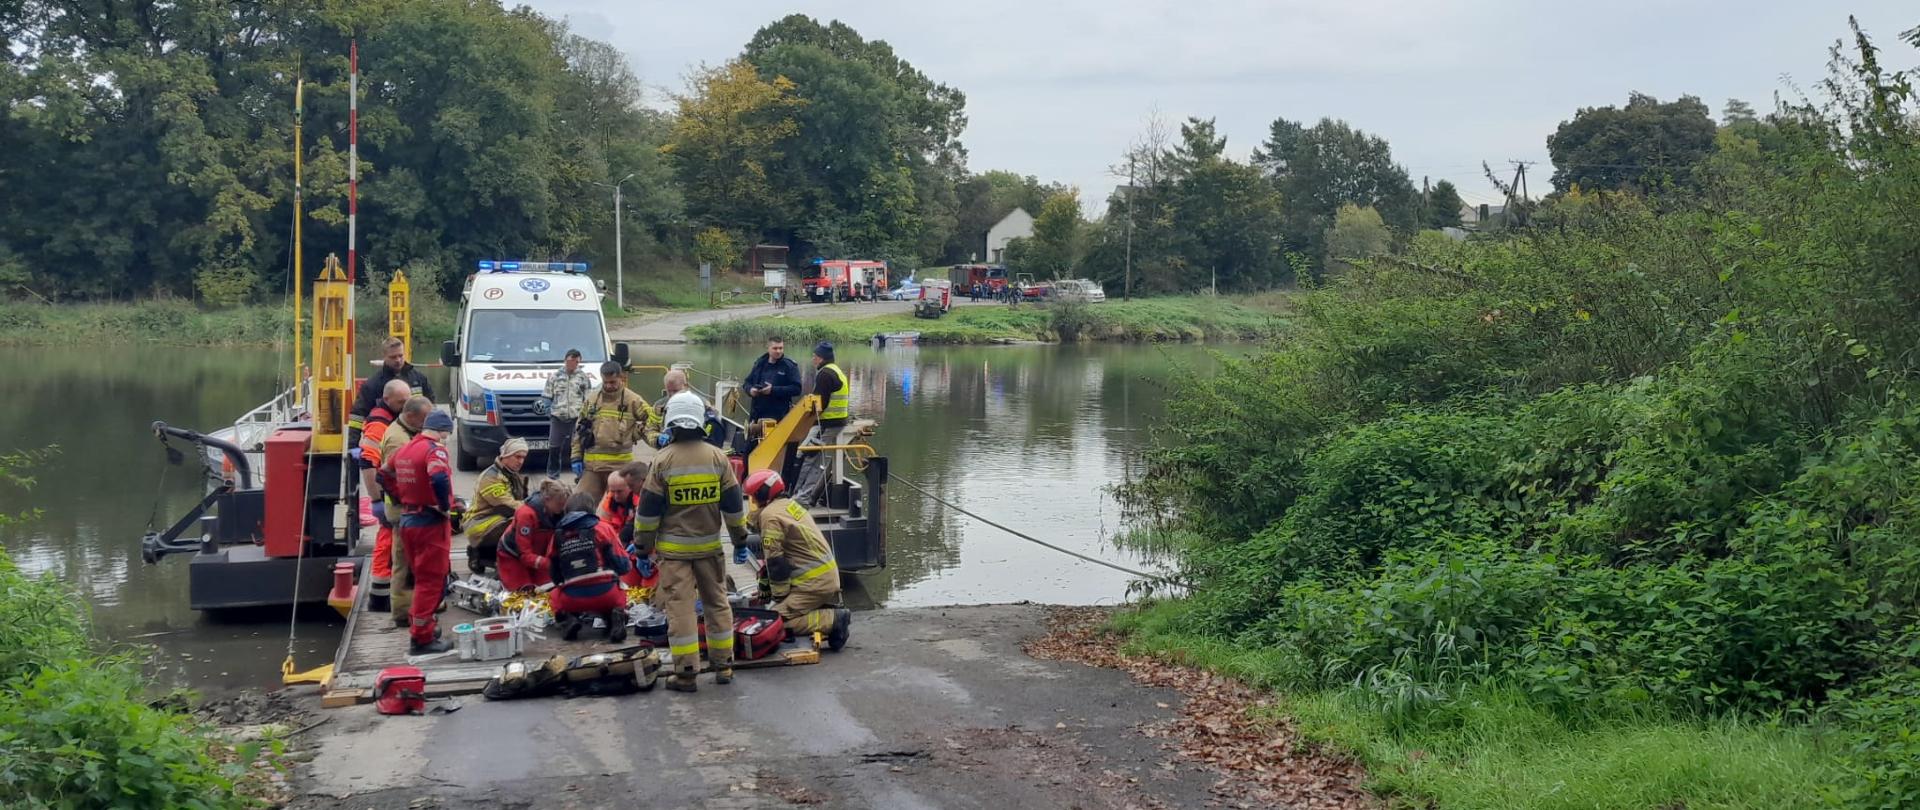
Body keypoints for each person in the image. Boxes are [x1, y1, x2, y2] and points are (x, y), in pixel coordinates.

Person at [632, 392, 750, 692]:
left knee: (681, 608)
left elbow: (647, 513)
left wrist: (643, 549)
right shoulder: (717, 458)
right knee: (717, 604)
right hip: (710, 548)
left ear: (672, 422)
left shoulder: (662, 461)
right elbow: (734, 508)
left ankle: (686, 673)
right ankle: (724, 666)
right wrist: (739, 541)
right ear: (700, 421)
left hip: (674, 553)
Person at [743, 470, 852, 651]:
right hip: (822, 577)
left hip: (814, 583)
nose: (753, 502)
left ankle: (833, 620)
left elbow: (776, 563)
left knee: (772, 621)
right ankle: (827, 613)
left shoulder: (769, 516)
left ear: (763, 494)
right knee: (778, 610)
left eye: (754, 497)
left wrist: (778, 597)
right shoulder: (787, 505)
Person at [390, 410, 457, 654]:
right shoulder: (434, 450)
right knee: (432, 581)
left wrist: (400, 496)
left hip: (408, 518)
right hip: (430, 522)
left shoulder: (406, 448)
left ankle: (425, 625)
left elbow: (384, 473)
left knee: (421, 577)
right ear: (441, 431)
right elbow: (438, 476)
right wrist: (444, 505)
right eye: (447, 433)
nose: (447, 438)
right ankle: (421, 638)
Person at [373, 395, 431, 624]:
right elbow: (395, 478)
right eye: (424, 418)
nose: (426, 424)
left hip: (407, 509)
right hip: (403, 511)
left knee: (412, 561)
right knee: (404, 563)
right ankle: (403, 612)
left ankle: (414, 606)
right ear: (410, 415)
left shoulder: (407, 431)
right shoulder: (398, 439)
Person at [547, 491, 633, 643]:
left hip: (571, 598)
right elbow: (623, 566)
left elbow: (554, 573)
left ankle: (569, 619)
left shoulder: (558, 534)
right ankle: (615, 616)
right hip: (607, 594)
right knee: (619, 588)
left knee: (554, 595)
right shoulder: (603, 528)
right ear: (592, 509)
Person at [356, 379, 411, 611]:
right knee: (387, 541)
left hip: (388, 491)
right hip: (385, 494)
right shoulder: (379, 423)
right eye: (402, 402)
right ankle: (380, 596)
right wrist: (376, 499)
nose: (406, 405)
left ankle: (383, 592)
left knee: (388, 541)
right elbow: (367, 461)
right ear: (388, 400)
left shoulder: (391, 419)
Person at [571, 361, 654, 500]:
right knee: (579, 503)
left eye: (613, 382)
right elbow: (580, 429)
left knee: (618, 507)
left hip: (621, 467)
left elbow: (653, 419)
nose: (609, 386)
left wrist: (636, 433)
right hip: (593, 467)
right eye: (605, 382)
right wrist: (576, 457)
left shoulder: (633, 400)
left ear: (621, 378)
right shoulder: (592, 399)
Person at [793, 341, 851, 507]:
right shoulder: (837, 370)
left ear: (821, 358)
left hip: (827, 424)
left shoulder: (825, 374)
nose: (813, 359)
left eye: (815, 356)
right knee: (811, 456)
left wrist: (802, 417)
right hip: (837, 421)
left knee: (809, 457)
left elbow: (819, 403)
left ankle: (801, 498)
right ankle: (802, 495)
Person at [348, 337, 434, 445]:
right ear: (384, 356)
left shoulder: (419, 379)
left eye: (400, 356)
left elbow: (431, 408)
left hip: (417, 438)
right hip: (387, 440)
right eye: (393, 357)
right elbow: (357, 416)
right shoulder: (373, 385)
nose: (398, 360)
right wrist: (352, 445)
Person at [466, 437, 529, 575]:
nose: (521, 461)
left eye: (523, 457)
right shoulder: (491, 477)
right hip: (479, 523)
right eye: (517, 456)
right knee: (522, 524)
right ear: (505, 456)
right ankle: (506, 560)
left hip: (496, 519)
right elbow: (506, 505)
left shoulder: (512, 474)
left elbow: (521, 499)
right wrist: (533, 508)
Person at [498, 479, 568, 592]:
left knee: (552, 588)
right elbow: (524, 555)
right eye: (559, 503)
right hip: (513, 556)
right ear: (547, 499)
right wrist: (551, 564)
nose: (563, 507)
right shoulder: (526, 514)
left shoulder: (559, 511)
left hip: (538, 554)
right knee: (524, 595)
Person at [542, 349, 593, 480]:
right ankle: (552, 477)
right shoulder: (554, 376)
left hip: (576, 418)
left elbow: (588, 400)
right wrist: (550, 412)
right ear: (565, 360)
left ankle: (580, 476)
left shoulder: (583, 378)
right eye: (571, 361)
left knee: (578, 448)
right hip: (558, 418)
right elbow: (547, 397)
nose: (573, 364)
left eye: (577, 362)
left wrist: (586, 416)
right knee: (554, 448)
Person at [743, 337, 804, 424]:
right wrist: (750, 390)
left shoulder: (789, 366)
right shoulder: (760, 363)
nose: (778, 351)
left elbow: (797, 389)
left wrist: (773, 390)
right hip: (757, 415)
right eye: (775, 348)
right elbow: (747, 383)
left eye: (781, 348)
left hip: (779, 418)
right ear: (768, 348)